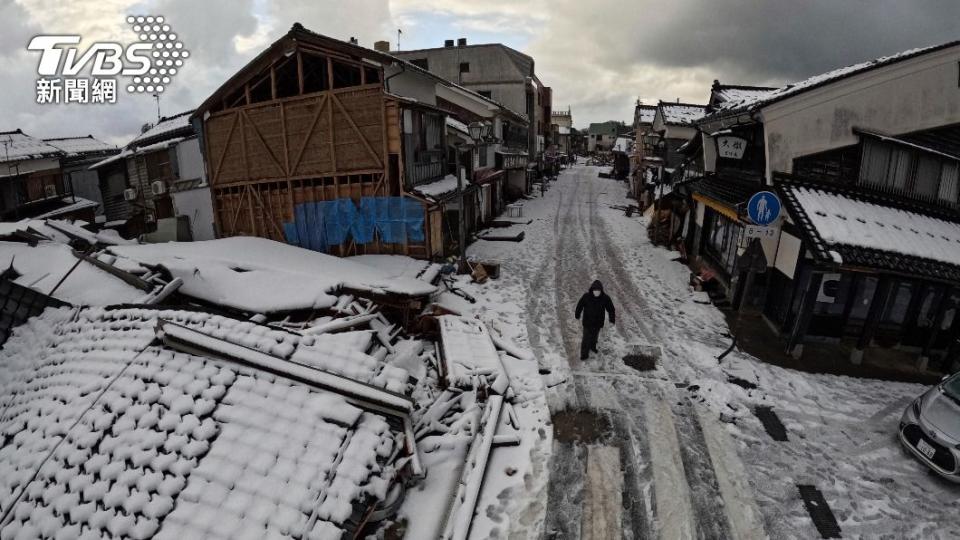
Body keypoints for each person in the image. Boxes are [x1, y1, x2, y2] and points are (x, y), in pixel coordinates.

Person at [574, 280, 616, 360]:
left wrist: (612, 320)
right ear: (592, 289)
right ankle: (584, 354)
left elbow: (611, 309)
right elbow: (579, 306)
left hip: (598, 323)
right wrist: (577, 315)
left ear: (601, 290)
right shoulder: (586, 296)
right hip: (587, 322)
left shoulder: (605, 298)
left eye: (598, 290)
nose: (596, 292)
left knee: (594, 337)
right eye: (595, 290)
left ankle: (592, 347)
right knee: (586, 339)